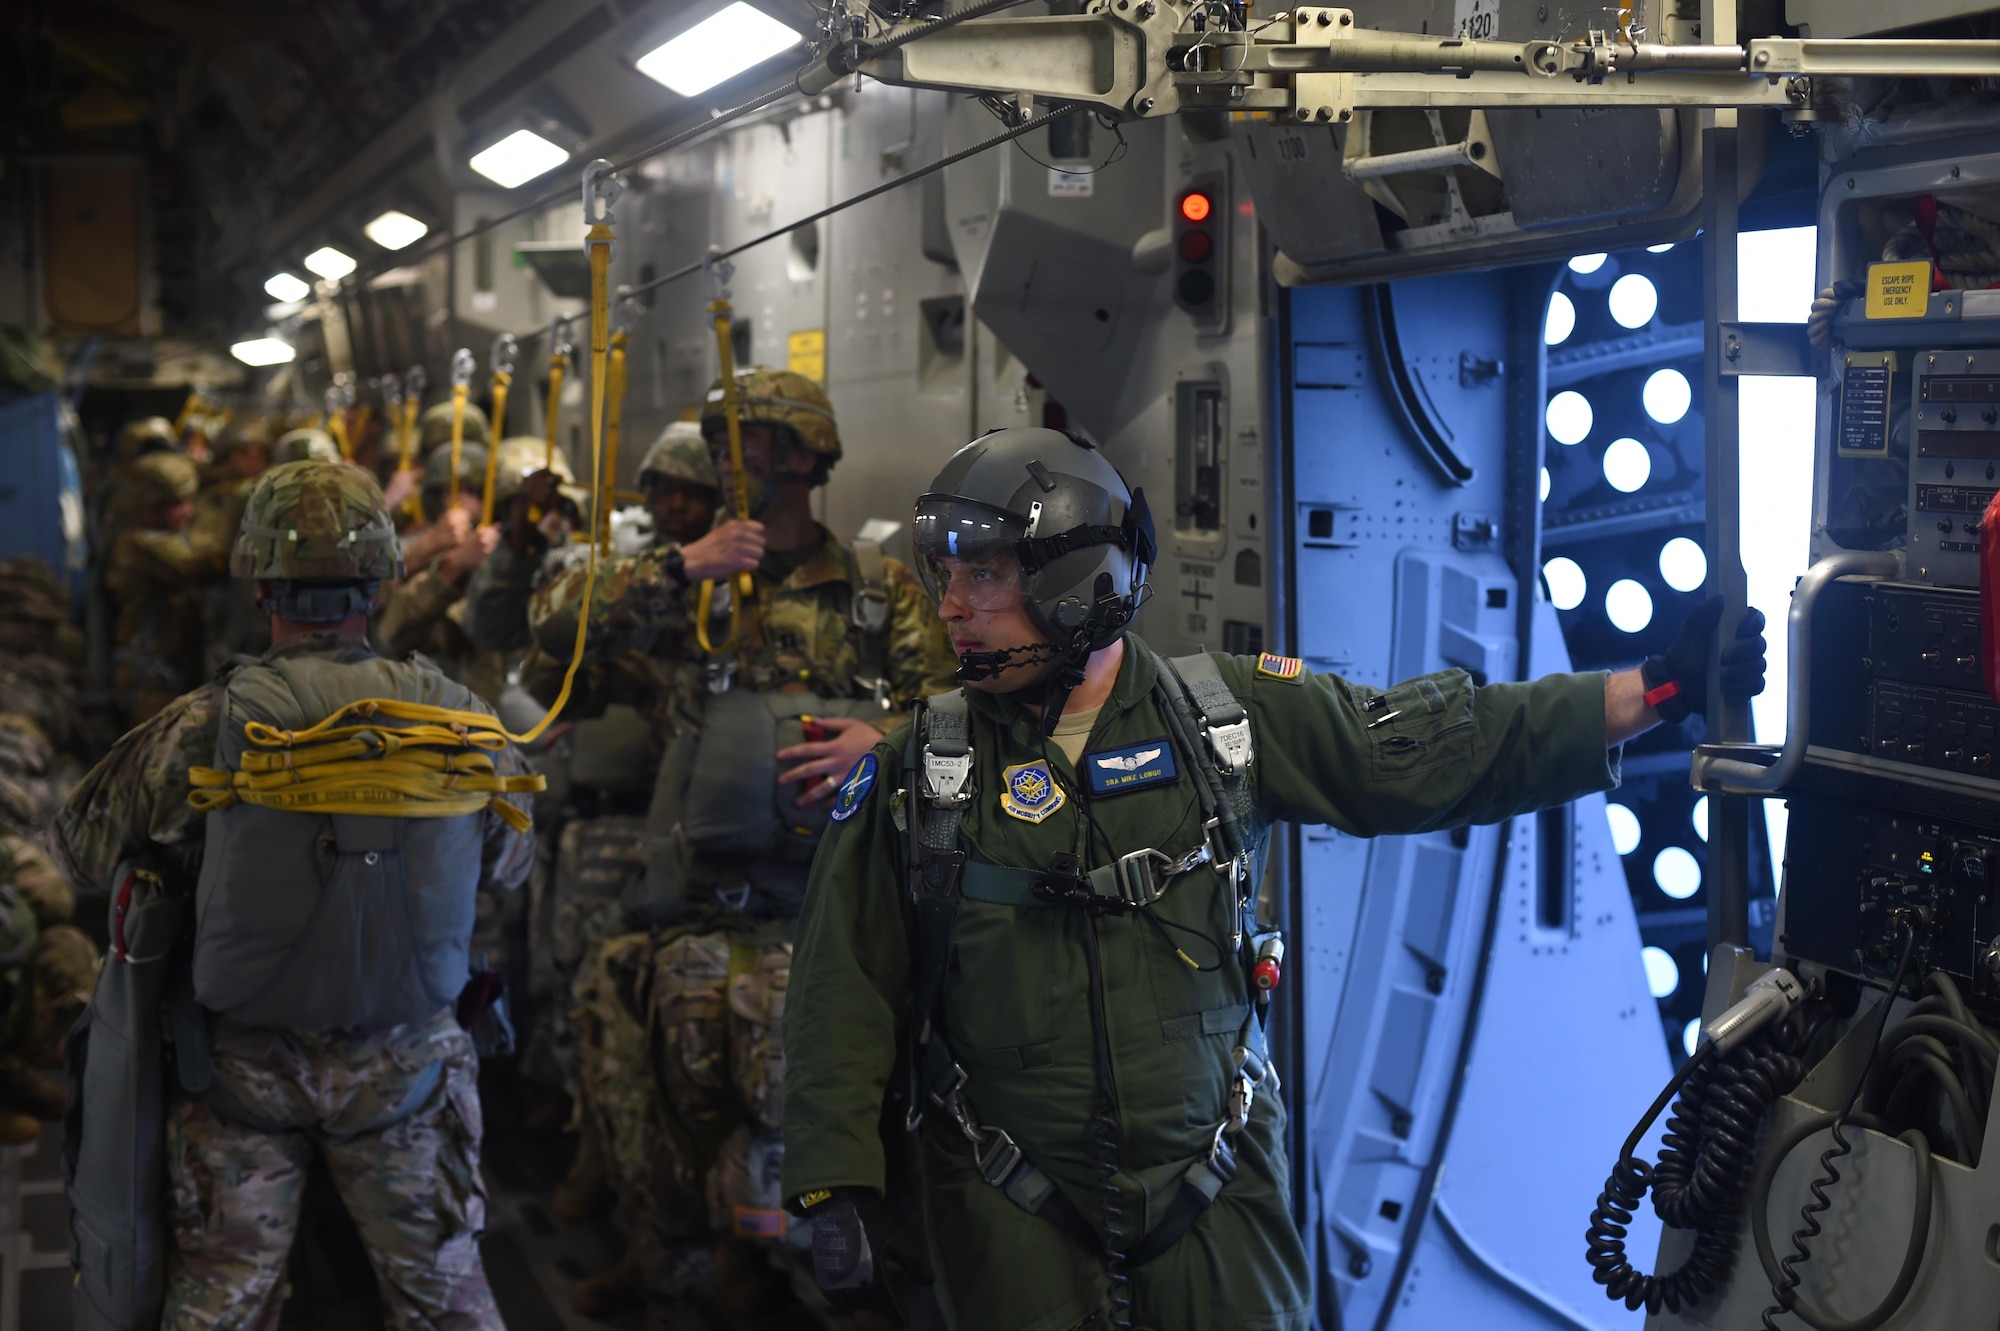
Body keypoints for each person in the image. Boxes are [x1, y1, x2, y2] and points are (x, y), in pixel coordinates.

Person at [778, 427, 1770, 1331]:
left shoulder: (1225, 717)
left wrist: (1654, 690)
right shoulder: (918, 769)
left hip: (1212, 1195)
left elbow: (1428, 747)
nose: (951, 604)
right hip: (1001, 1200)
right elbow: (841, 989)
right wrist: (832, 1185)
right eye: (945, 573)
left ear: (1074, 577)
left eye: (983, 574)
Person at [53, 460, 538, 1330]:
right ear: (384, 576)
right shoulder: (463, 721)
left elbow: (81, 850)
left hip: (246, 1069)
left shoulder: (207, 723)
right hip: (408, 1067)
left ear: (260, 582)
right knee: (444, 1299)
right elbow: (506, 869)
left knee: (220, 1300)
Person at [526, 370, 958, 1318]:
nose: (724, 462)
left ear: (804, 455)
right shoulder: (686, 583)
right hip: (699, 899)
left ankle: (789, 1275)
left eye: (745, 443)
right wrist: (685, 566)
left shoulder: (881, 595)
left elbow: (962, 732)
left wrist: (884, 742)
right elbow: (547, 634)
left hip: (827, 911)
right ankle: (669, 1262)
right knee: (660, 1105)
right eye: (717, 445)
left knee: (802, 1120)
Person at [373, 441, 501, 697]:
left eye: (472, 491)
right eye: (452, 491)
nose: (462, 501)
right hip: (411, 676)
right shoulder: (411, 544)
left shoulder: (499, 550)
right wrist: (431, 546)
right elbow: (377, 602)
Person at [103, 449, 212, 726]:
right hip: (151, 681)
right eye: (178, 504)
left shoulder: (161, 538)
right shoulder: (137, 543)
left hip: (170, 673)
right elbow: (195, 563)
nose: (189, 511)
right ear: (148, 506)